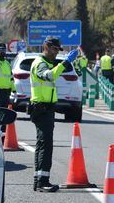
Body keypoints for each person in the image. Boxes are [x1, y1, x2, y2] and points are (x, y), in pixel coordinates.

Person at [29, 36, 78, 193]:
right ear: (46, 47)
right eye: (54, 49)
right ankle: (42, 181)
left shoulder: (47, 63)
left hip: (46, 108)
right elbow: (49, 75)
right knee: (45, 144)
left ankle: (39, 180)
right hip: (41, 108)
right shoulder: (40, 64)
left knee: (43, 143)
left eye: (58, 50)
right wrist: (65, 63)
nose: (56, 53)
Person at [0, 42, 16, 127]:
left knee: (4, 115)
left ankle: (3, 134)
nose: (2, 52)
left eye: (4, 50)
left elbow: (11, 78)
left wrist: (14, 90)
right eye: (0, 50)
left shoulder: (7, 64)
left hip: (6, 93)